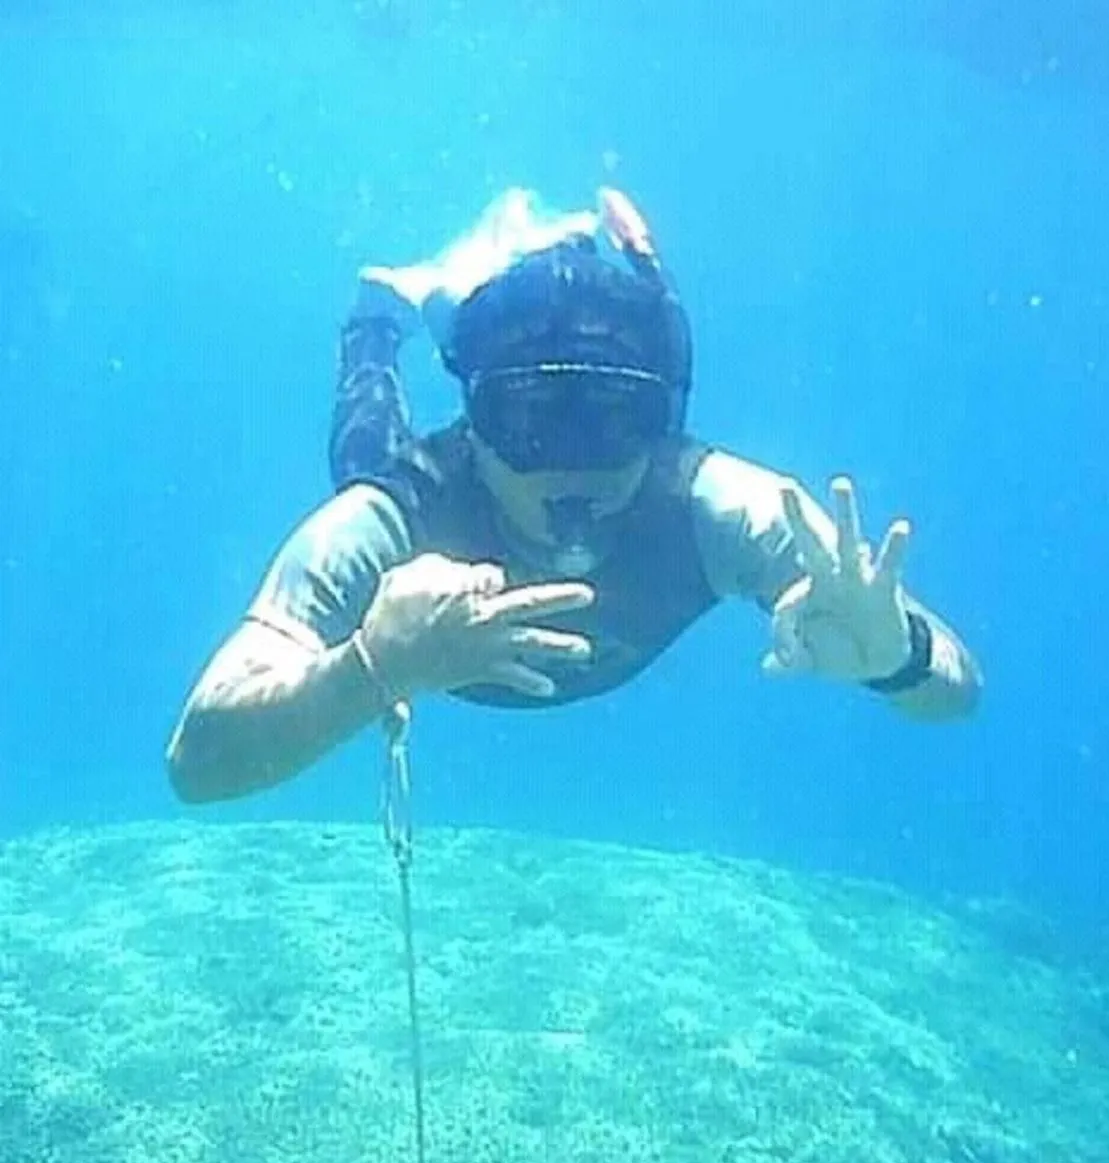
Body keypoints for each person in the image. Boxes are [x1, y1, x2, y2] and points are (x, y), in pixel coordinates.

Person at [166, 188, 982, 805]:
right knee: (362, 456)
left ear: (662, 420)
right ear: (475, 423)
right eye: (527, 419)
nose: (573, 466)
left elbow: (956, 691)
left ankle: (629, 263)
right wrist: (371, 667)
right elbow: (195, 765)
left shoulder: (724, 509)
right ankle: (378, 322)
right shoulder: (401, 513)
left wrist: (897, 657)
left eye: (617, 420)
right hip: (407, 542)